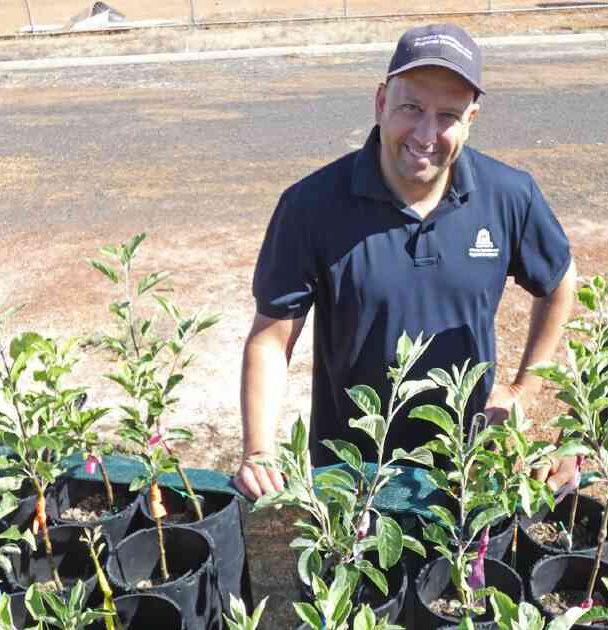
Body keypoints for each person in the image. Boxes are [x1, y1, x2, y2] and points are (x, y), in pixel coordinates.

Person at [235, 23, 579, 500]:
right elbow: (271, 341)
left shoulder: (509, 195)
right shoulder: (311, 205)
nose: (426, 133)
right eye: (411, 107)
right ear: (381, 102)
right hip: (351, 468)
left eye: (448, 115)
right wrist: (258, 450)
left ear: (472, 118)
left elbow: (559, 282)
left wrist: (524, 389)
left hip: (468, 466)